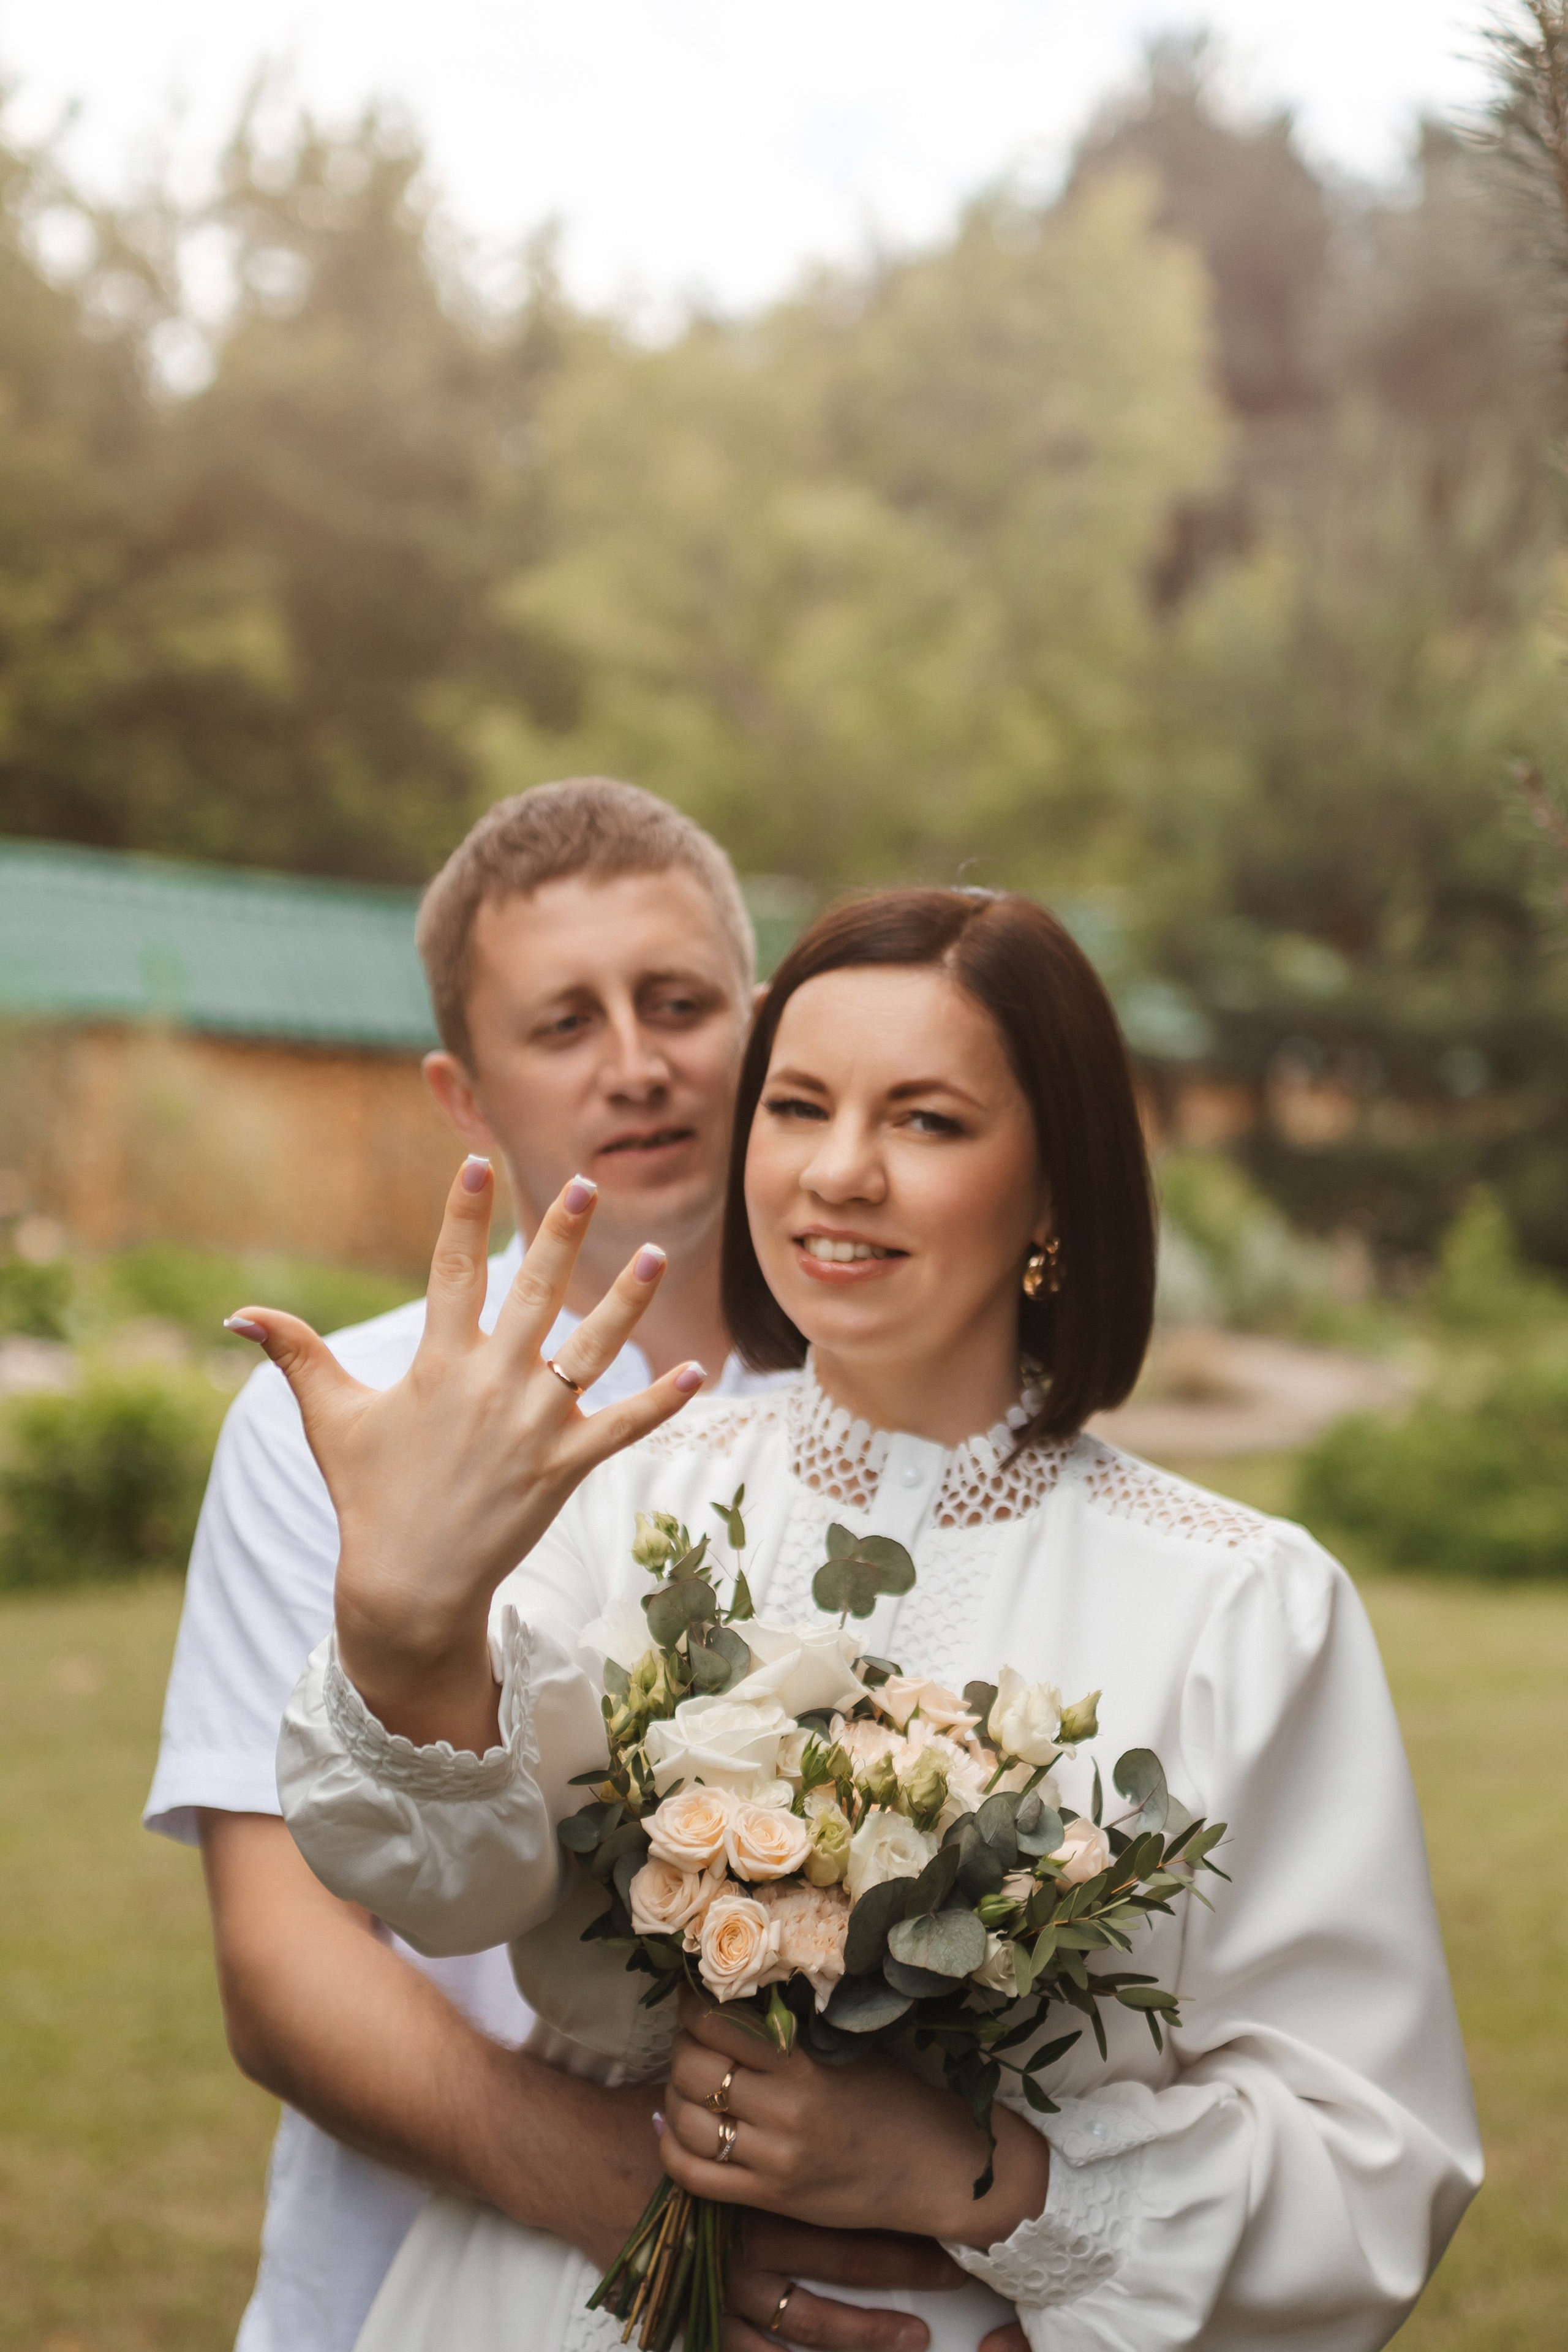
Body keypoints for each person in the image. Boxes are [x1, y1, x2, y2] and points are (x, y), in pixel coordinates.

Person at [250, 884, 1482, 2351]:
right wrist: (407, 1627)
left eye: (926, 1121)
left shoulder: (1240, 1604)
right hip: (545, 2305)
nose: (837, 1173)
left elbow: (1367, 2159)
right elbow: (451, 1883)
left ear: (1054, 1187)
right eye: (795, 1108)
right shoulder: (620, 1496)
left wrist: (975, 2176)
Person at [146, 782, 973, 2352]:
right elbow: (284, 1959)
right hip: (411, 2286)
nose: (636, 1062)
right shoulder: (339, 1420)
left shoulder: (916, 1416)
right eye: (564, 1023)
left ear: (758, 1030)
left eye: (678, 1004)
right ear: (464, 1094)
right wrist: (652, 2206)